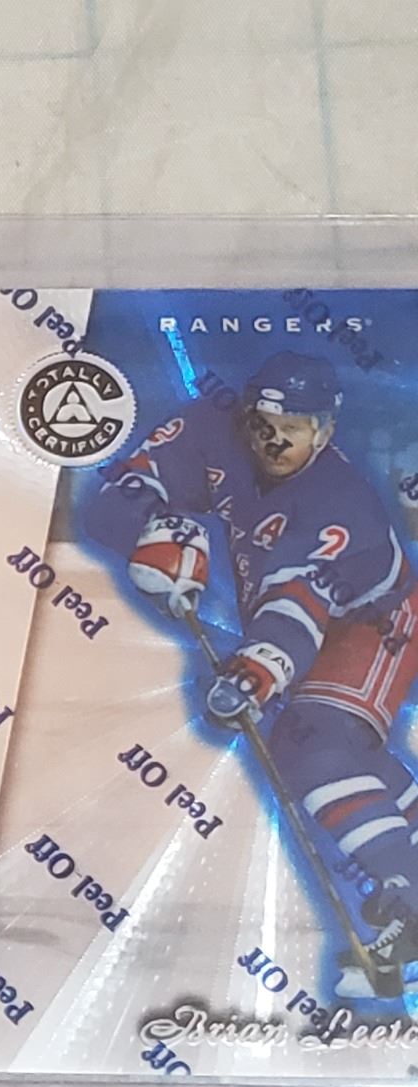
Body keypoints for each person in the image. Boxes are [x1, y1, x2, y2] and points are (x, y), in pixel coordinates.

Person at [86, 350, 418, 1002]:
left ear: (325, 429)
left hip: (373, 621)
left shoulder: (340, 503)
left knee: (316, 745)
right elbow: (115, 497)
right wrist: (151, 528)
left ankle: (408, 896)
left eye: (293, 428)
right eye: (264, 424)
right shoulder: (209, 431)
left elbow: (298, 605)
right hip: (297, 622)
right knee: (327, 751)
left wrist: (255, 673)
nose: (275, 441)